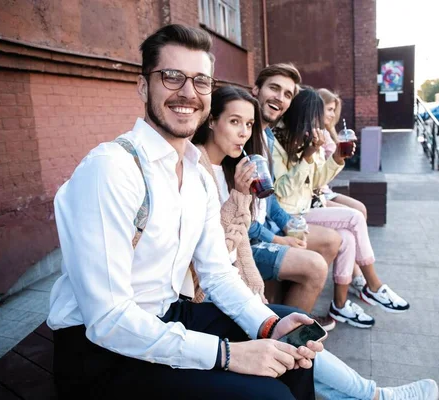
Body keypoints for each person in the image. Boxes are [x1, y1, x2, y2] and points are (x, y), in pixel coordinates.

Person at [47, 24, 323, 400]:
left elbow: (217, 273)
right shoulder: (112, 169)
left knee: (292, 355)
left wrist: (268, 325)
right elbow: (108, 320)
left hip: (166, 314)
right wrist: (228, 355)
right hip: (99, 352)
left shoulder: (196, 175)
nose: (188, 93)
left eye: (201, 81)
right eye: (172, 77)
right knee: (269, 396)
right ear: (144, 86)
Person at [190, 85, 438, 400]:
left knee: (299, 338)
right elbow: (219, 246)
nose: (243, 132)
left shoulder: (229, 165)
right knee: (295, 335)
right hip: (205, 294)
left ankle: (371, 393)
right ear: (212, 121)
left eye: (248, 124)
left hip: (231, 279)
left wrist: (253, 282)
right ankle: (376, 394)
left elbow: (239, 239)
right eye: (234, 122)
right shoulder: (199, 167)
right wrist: (264, 222)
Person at [272, 88, 410, 329]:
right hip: (287, 215)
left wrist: (337, 158)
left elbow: (315, 182)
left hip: (305, 208)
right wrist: (306, 156)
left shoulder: (306, 138)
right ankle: (374, 285)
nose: (318, 126)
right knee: (355, 217)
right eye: (315, 119)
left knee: (346, 238)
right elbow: (281, 191)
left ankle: (340, 304)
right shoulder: (277, 142)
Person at [248, 63, 343, 330]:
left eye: (287, 94)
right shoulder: (252, 139)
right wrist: (278, 237)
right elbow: (243, 215)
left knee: (333, 239)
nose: (279, 97)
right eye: (273, 88)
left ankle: (289, 323)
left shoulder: (266, 136)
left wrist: (289, 224)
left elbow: (269, 199)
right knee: (316, 264)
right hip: (247, 240)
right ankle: (289, 335)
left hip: (273, 221)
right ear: (256, 89)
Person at [317, 88, 369, 300]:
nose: (331, 114)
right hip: (317, 191)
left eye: (333, 110)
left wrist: (332, 130)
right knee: (353, 216)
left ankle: (353, 270)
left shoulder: (328, 130)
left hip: (325, 189)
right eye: (328, 109)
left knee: (360, 209)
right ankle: (358, 275)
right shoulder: (313, 132)